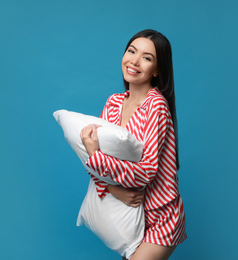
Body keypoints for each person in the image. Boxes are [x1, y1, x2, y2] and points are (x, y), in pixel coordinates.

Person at [80, 29, 186, 260]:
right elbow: (95, 161)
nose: (134, 61)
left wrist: (94, 156)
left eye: (147, 58)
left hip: (159, 216)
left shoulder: (156, 106)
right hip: (126, 213)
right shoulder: (114, 102)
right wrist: (110, 188)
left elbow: (146, 171)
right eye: (131, 51)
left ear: (157, 70)